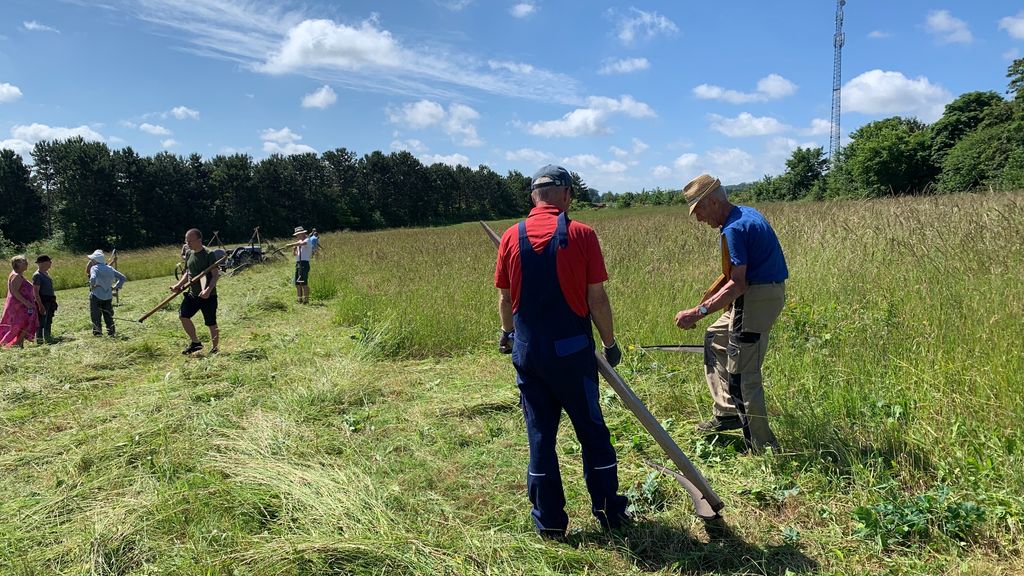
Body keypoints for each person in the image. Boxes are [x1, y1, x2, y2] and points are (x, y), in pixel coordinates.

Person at [494, 164, 629, 538]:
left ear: (533, 197)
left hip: (529, 355)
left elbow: (505, 299)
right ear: (567, 195)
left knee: (540, 438)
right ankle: (609, 512)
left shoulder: (510, 237)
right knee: (592, 433)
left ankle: (550, 523)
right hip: (572, 356)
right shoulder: (582, 234)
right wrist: (609, 342)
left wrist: (507, 335)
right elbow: (596, 298)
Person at [674, 174, 789, 454]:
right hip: (764, 294)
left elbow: (739, 283)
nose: (699, 219)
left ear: (713, 202)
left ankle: (761, 447)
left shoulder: (734, 229)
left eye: (699, 210)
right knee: (715, 337)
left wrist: (697, 312)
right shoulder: (745, 214)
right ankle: (727, 414)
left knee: (743, 376)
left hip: (755, 299)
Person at [170, 228, 220, 354]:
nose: (188, 243)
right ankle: (196, 343)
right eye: (186, 241)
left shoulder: (209, 254)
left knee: (211, 322)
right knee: (183, 316)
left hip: (208, 295)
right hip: (193, 294)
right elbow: (188, 272)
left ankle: (214, 349)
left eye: (190, 241)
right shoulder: (188, 253)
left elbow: (215, 275)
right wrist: (178, 285)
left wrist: (208, 290)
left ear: (199, 240)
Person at [1, 255, 41, 348]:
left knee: (23, 323)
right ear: (17, 264)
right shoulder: (16, 276)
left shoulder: (18, 274)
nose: (27, 263)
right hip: (19, 306)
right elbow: (14, 292)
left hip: (21, 305)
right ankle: (15, 343)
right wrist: (26, 303)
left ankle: (19, 343)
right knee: (20, 324)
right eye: (24, 262)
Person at [87, 249, 126, 337]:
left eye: (92, 260)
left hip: (96, 296)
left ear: (95, 260)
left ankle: (97, 333)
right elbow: (123, 278)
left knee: (96, 315)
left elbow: (92, 278)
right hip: (108, 296)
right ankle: (111, 332)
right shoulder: (110, 268)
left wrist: (92, 286)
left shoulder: (94, 268)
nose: (91, 261)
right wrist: (116, 287)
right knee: (108, 315)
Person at [33, 255, 58, 344]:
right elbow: (35, 292)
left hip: (49, 301)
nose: (51, 263)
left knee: (48, 320)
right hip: (43, 301)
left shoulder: (46, 273)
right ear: (44, 263)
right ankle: (39, 340)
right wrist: (40, 305)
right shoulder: (37, 275)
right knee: (41, 322)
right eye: (49, 261)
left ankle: (48, 337)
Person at [292, 226, 311, 304]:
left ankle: (306, 300)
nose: (298, 236)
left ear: (303, 233)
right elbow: (295, 254)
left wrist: (291, 244)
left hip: (304, 263)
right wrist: (294, 249)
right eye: (297, 235)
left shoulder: (307, 240)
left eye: (299, 234)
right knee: (297, 283)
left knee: (303, 283)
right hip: (298, 263)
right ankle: (299, 299)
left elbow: (303, 243)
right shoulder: (298, 242)